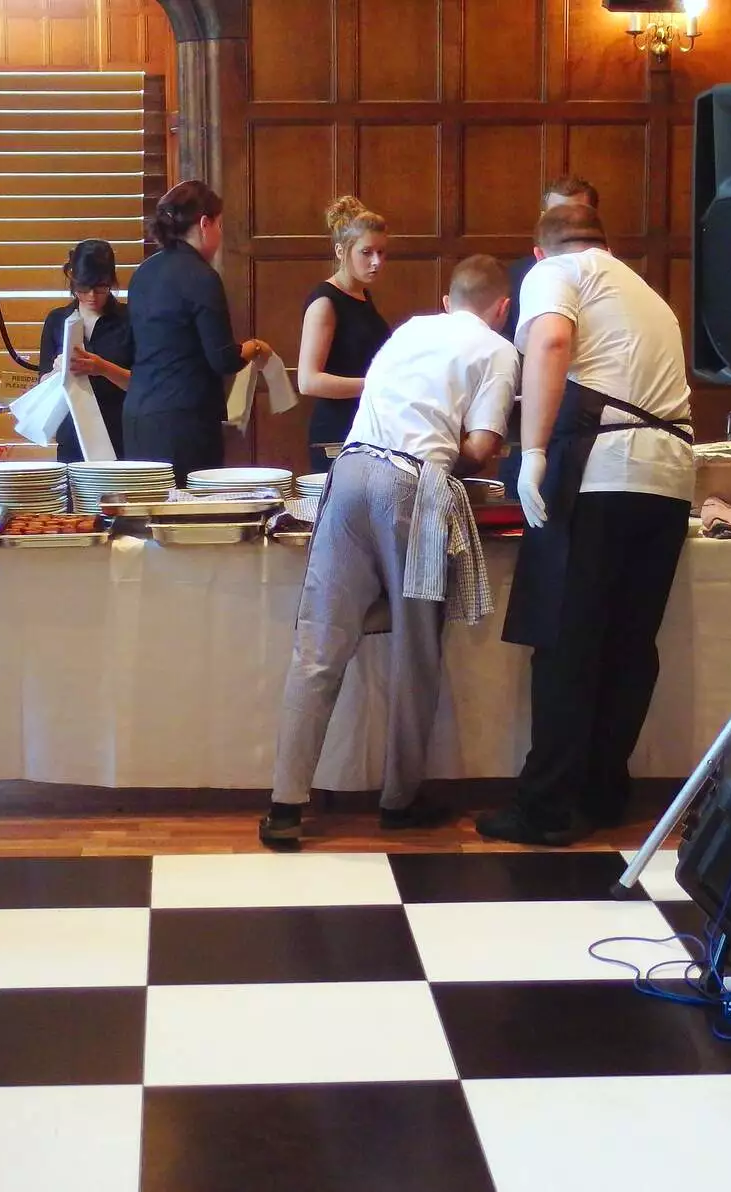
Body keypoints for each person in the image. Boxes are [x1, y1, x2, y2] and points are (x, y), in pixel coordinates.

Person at [261, 256, 518, 848]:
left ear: (448, 298)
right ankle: (399, 801)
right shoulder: (499, 351)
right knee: (416, 648)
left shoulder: (408, 330)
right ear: (502, 309)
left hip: (347, 475)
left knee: (319, 643)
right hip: (414, 492)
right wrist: (456, 438)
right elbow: (478, 449)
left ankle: (284, 805)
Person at [477, 204, 694, 848]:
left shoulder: (557, 272)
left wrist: (534, 451)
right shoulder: (646, 292)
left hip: (601, 475)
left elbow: (548, 343)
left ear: (540, 253)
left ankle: (544, 809)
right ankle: (603, 793)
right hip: (668, 481)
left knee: (567, 644)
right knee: (628, 646)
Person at [123, 180, 271, 483]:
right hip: (184, 419)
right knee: (190, 516)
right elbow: (223, 358)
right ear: (205, 223)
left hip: (138, 415)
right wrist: (254, 347)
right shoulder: (202, 277)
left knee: (149, 512)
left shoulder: (143, 272)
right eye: (219, 225)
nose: (219, 234)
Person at [499, 177, 602, 492]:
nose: (567, 223)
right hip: (530, 418)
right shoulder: (517, 275)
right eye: (557, 215)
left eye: (577, 214)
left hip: (592, 426)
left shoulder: (613, 277)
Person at [298, 196, 392, 474]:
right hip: (336, 431)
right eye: (366, 253)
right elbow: (308, 381)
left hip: (363, 424)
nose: (377, 261)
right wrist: (375, 385)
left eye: (382, 252)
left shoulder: (362, 294)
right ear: (341, 251)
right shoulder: (325, 301)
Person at [38, 240, 134, 463]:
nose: (92, 295)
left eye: (101, 287)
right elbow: (42, 384)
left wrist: (102, 368)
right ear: (72, 279)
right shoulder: (57, 320)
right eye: (83, 287)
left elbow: (142, 385)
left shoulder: (129, 319)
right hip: (73, 434)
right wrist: (57, 372)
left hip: (119, 432)